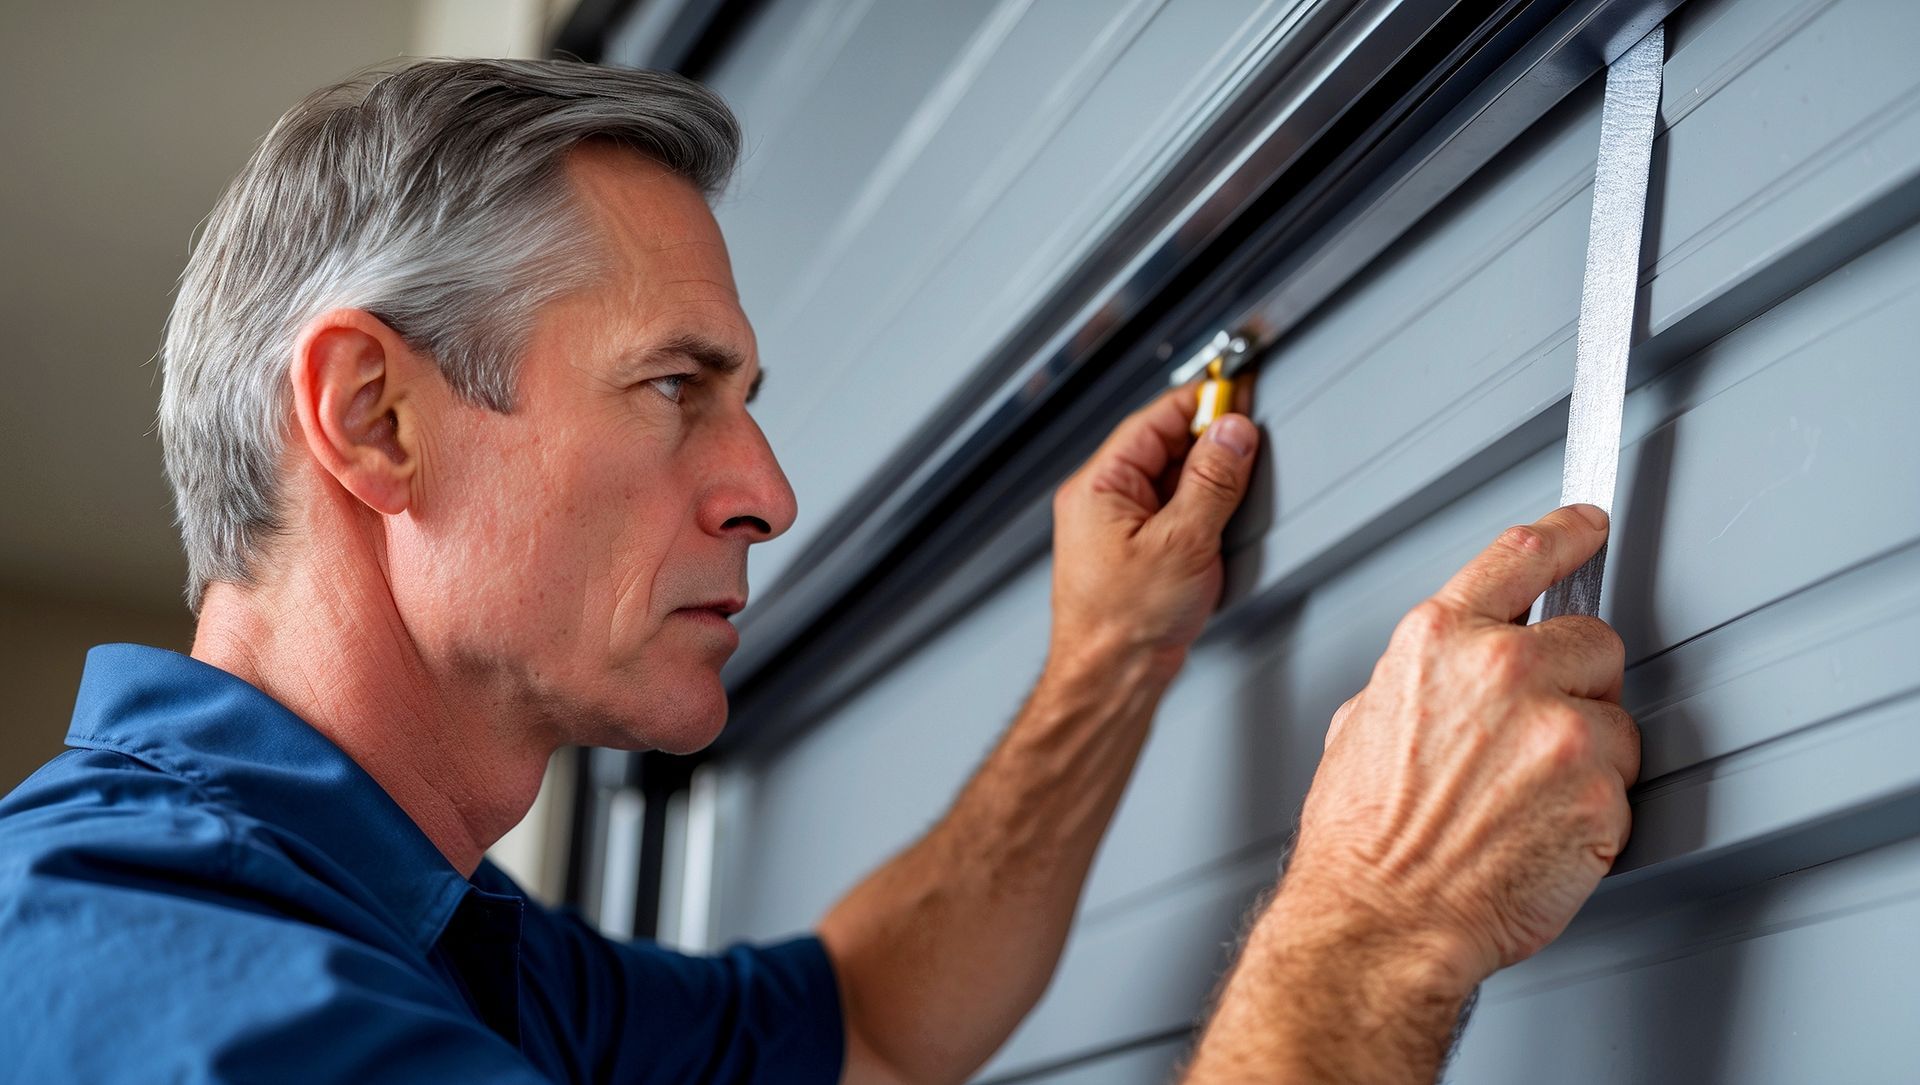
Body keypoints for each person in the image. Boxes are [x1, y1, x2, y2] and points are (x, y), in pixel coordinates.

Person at [0, 60, 1636, 1084]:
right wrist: (1371, 934)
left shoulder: (429, 938)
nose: (768, 493)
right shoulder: (180, 1000)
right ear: (376, 419)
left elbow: (871, 1027)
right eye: (672, 390)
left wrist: (1107, 668)